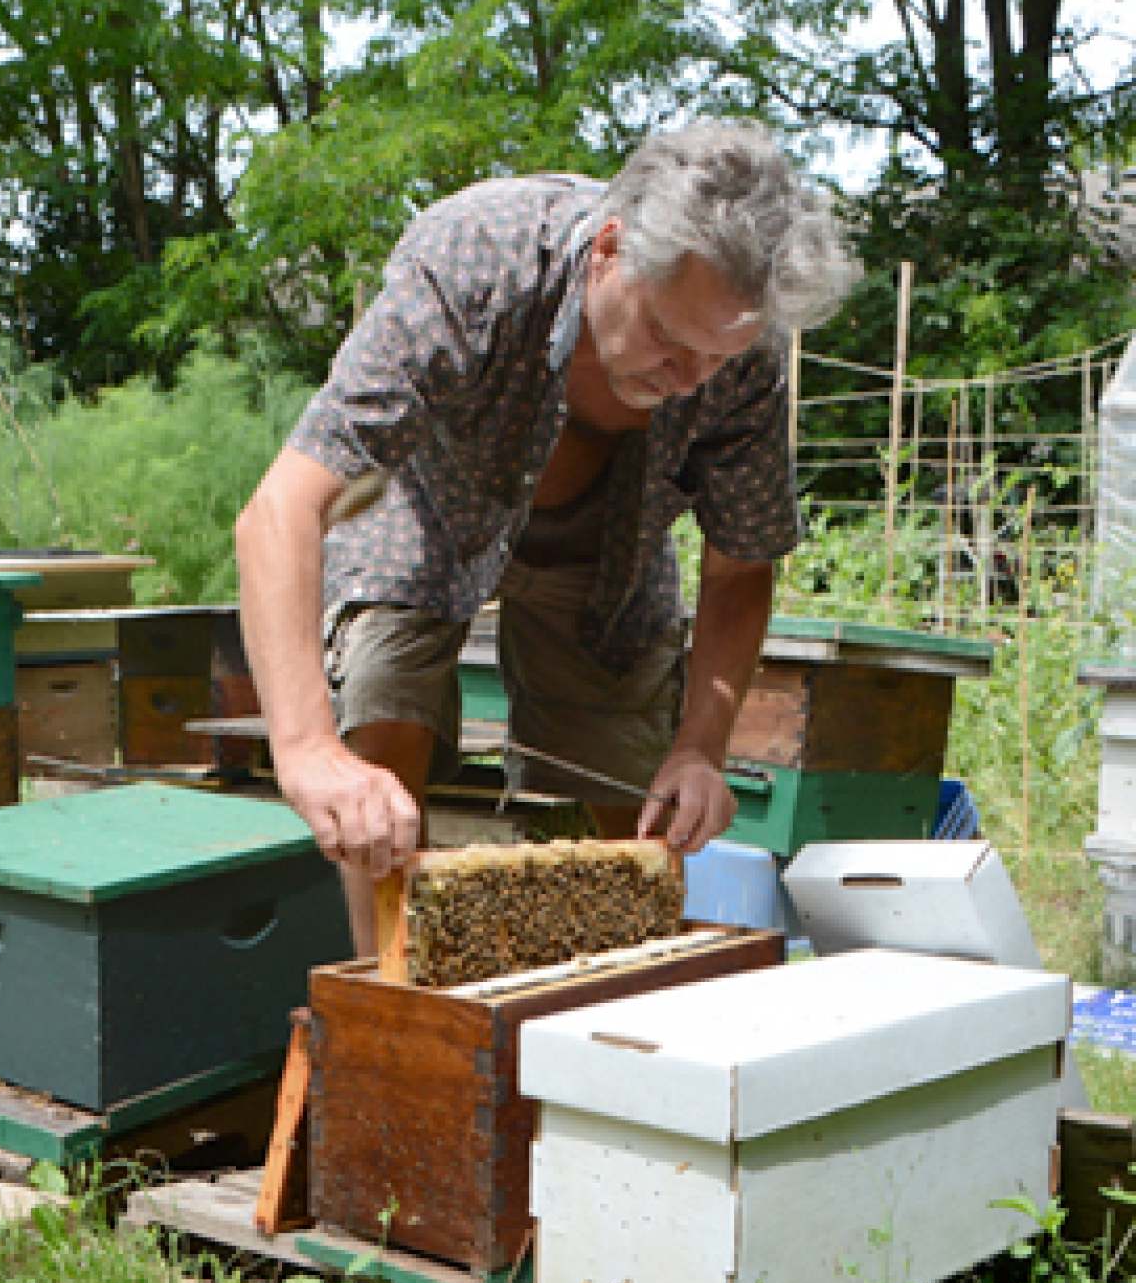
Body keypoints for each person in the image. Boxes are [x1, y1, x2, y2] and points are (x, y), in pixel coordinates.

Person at [234, 120, 859, 953]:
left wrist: (701, 750)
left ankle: (596, 1013)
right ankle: (387, 993)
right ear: (610, 251)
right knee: (381, 720)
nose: (689, 381)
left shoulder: (739, 343)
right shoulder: (470, 258)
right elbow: (279, 510)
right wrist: (308, 747)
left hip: (613, 552)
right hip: (429, 508)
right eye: (671, 342)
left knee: (630, 808)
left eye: (717, 359)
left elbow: (742, 565)